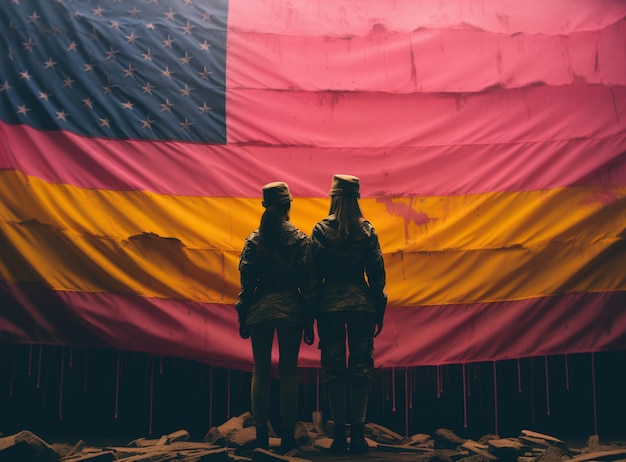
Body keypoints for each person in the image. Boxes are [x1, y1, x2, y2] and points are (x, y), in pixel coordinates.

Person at [235, 181, 315, 453]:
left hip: (260, 310)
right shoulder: (301, 239)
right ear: (287, 206)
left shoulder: (254, 239)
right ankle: (288, 437)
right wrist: (308, 319)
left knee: (260, 369)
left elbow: (246, 283)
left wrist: (243, 314)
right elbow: (309, 283)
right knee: (289, 371)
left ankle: (260, 436)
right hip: (291, 309)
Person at [310, 174, 387, 454]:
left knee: (333, 369)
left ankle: (339, 435)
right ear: (356, 199)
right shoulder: (367, 230)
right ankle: (358, 434)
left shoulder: (320, 230)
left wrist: (310, 313)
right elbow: (377, 275)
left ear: (334, 197)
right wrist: (379, 308)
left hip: (329, 306)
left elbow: (312, 276)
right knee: (360, 367)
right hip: (362, 305)